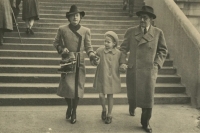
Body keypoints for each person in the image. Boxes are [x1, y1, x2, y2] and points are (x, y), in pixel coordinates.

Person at [119, 6, 168, 133]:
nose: (142, 20)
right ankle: (132, 106)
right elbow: (123, 48)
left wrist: (157, 64)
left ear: (151, 19)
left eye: (145, 18)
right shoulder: (131, 31)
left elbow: (163, 51)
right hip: (133, 69)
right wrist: (122, 62)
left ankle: (145, 122)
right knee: (133, 94)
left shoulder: (158, 33)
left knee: (148, 97)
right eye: (140, 17)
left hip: (149, 71)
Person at [53, 5, 96, 124]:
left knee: (77, 89)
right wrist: (62, 49)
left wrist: (92, 55)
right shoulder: (62, 29)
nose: (75, 17)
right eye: (72, 16)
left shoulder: (86, 31)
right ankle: (69, 106)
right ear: (69, 18)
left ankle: (74, 111)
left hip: (79, 62)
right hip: (67, 60)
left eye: (77, 15)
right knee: (67, 88)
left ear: (80, 17)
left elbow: (88, 47)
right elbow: (55, 42)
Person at [93, 31, 123, 124]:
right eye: (105, 41)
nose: (106, 43)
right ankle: (104, 109)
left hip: (112, 77)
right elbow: (94, 59)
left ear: (114, 43)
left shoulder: (118, 53)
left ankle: (109, 114)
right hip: (102, 76)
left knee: (110, 96)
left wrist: (122, 66)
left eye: (108, 42)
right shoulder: (100, 50)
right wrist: (95, 60)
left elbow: (122, 64)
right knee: (101, 95)